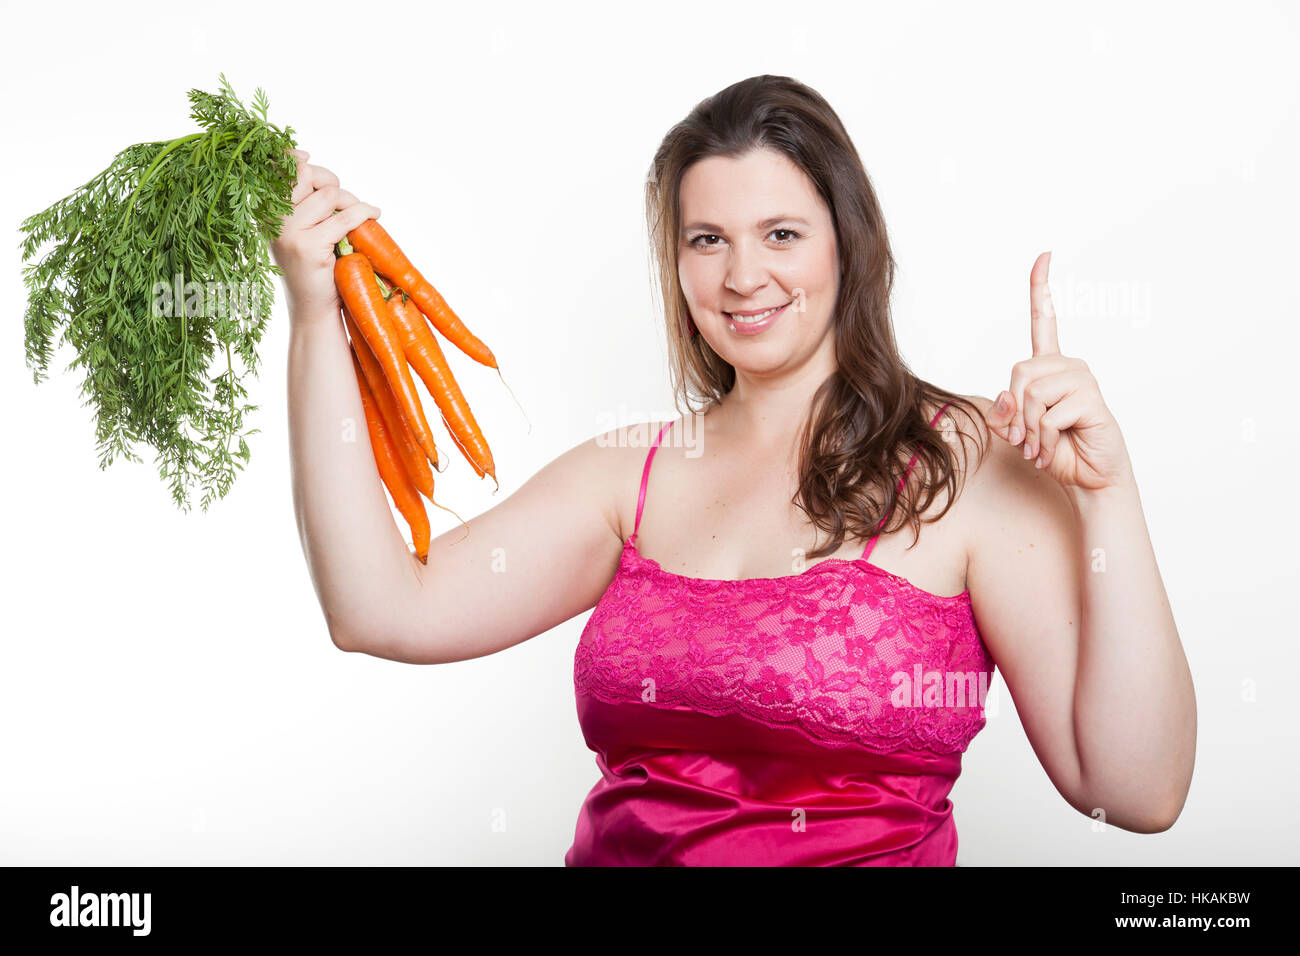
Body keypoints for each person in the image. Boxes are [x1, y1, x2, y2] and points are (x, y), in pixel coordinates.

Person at [271, 75, 1195, 865]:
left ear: (848, 241)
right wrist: (317, 311)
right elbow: (379, 609)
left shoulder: (971, 467)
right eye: (706, 239)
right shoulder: (628, 474)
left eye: (782, 234)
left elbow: (1134, 791)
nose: (743, 276)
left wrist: (1110, 497)